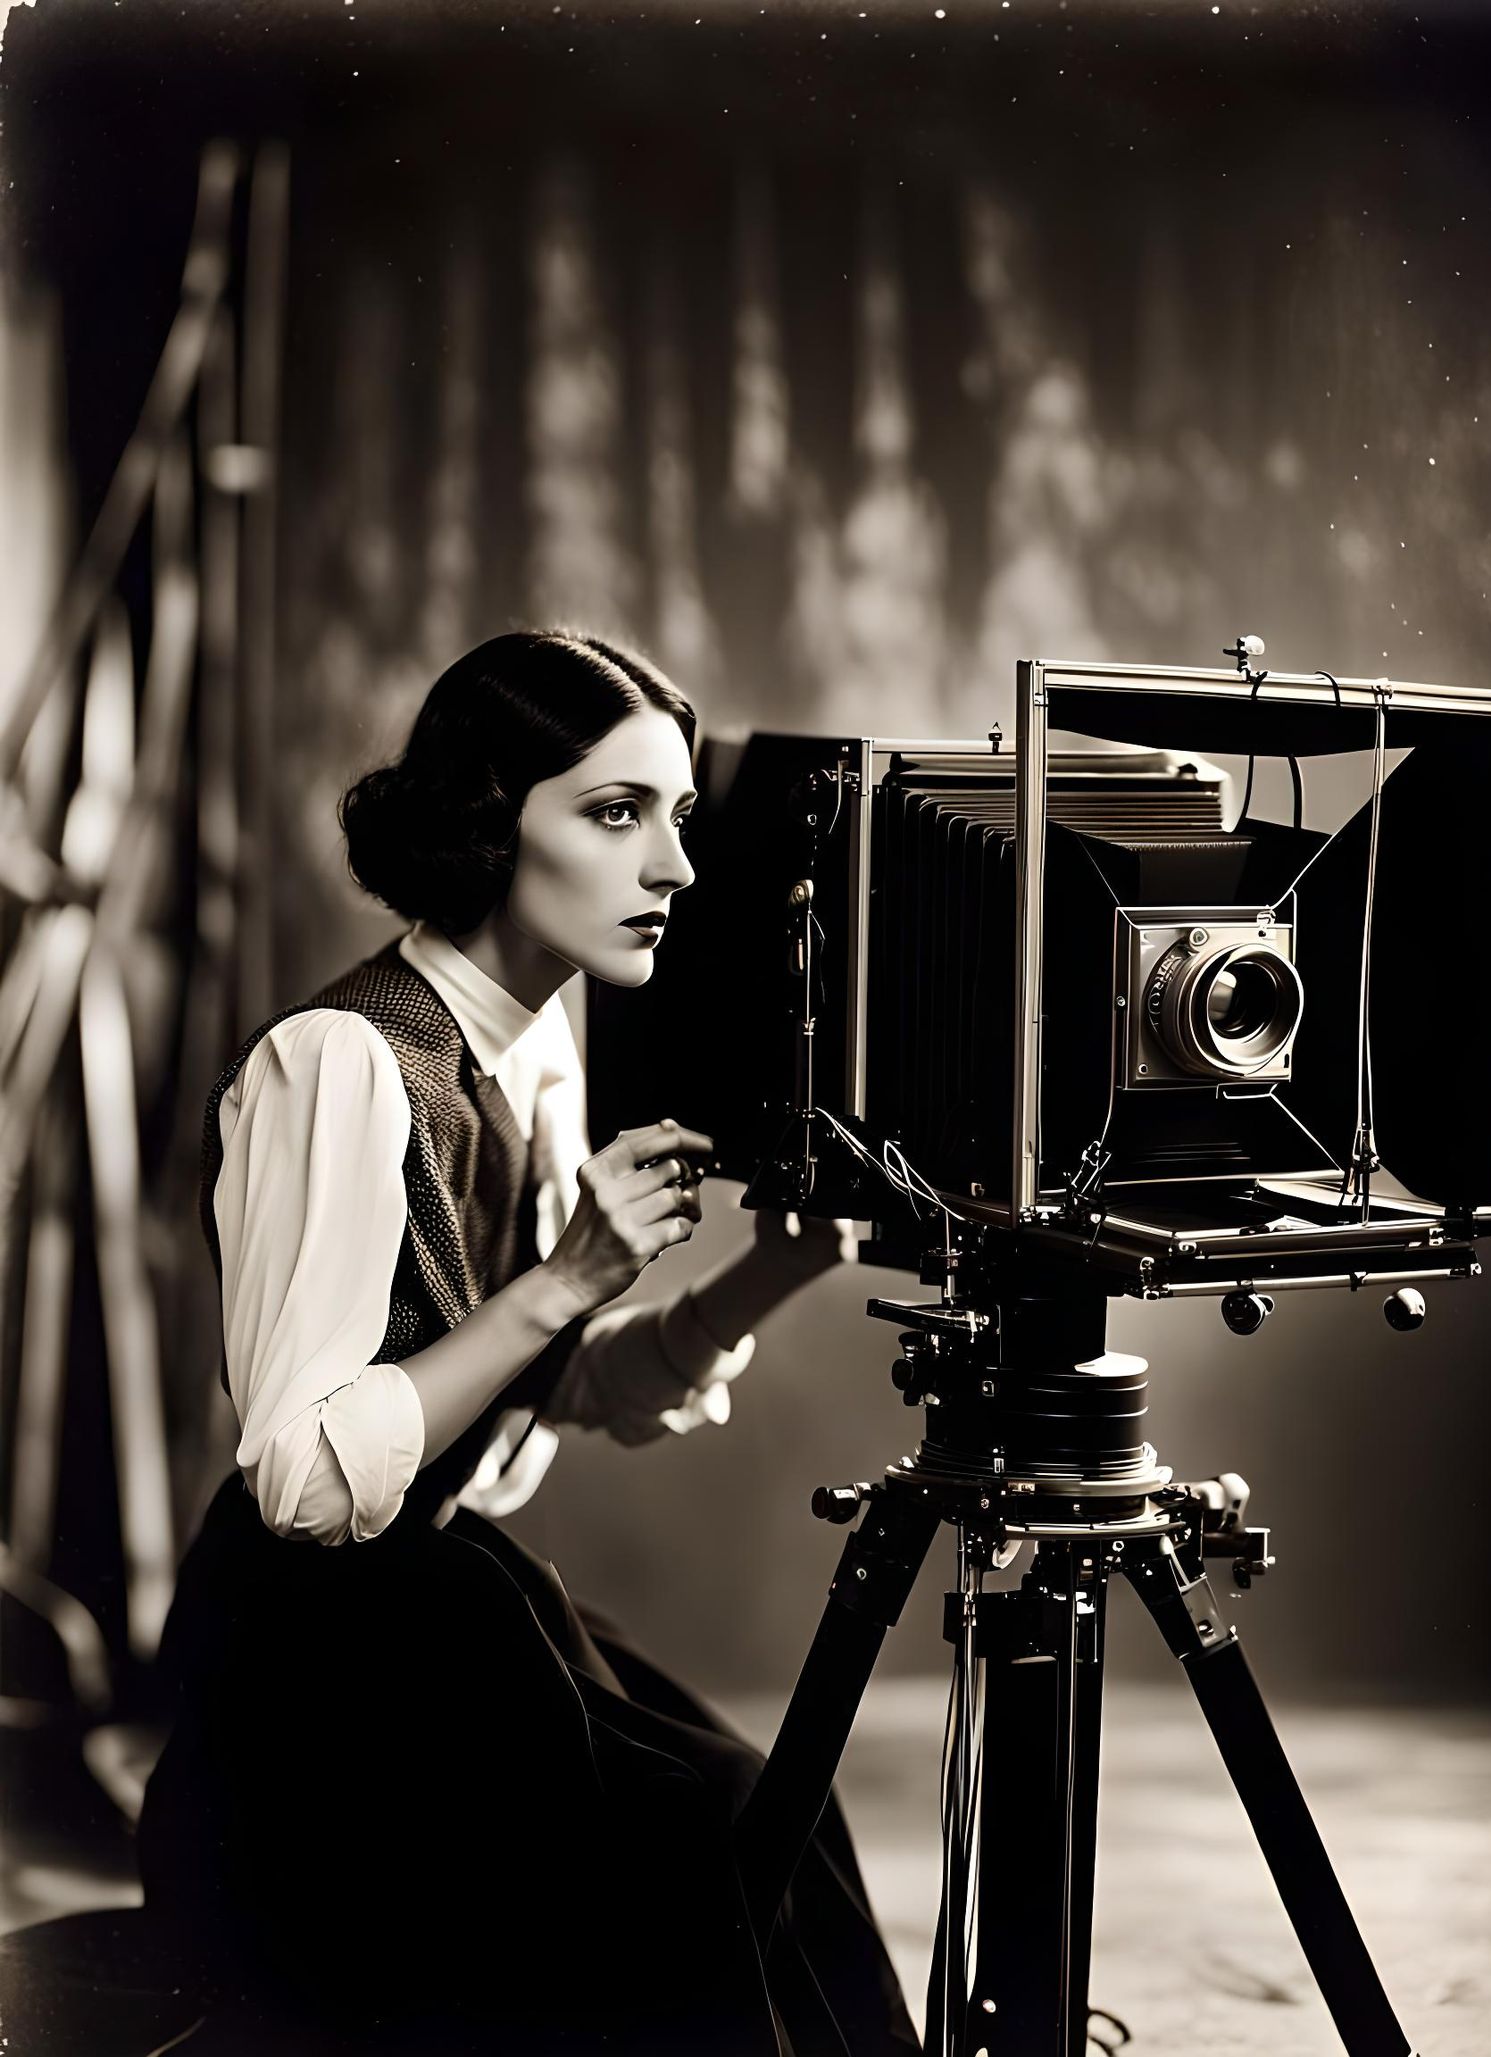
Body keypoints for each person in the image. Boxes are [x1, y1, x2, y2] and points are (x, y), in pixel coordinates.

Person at [136, 630, 920, 2056]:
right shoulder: (339, 1064)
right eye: (615, 813)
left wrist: (775, 1268)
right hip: (312, 1683)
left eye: (677, 815)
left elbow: (574, 1387)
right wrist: (560, 1279)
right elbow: (306, 1484)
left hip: (447, 1613)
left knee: (768, 1805)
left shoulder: (538, 1046)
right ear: (492, 819)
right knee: (681, 1857)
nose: (673, 867)